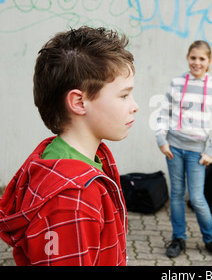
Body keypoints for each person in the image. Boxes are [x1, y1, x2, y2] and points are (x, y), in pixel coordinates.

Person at [0, 26, 139, 266]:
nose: (134, 105)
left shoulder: (68, 155)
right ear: (79, 102)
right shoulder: (72, 201)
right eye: (124, 95)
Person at [155, 40, 212, 259]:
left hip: (198, 152)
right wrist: (161, 139)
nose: (197, 62)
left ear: (209, 61)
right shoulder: (177, 82)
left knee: (196, 198)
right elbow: (163, 113)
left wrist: (211, 150)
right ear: (188, 58)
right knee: (176, 194)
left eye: (202, 59)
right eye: (193, 58)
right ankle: (179, 238)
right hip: (174, 148)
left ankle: (210, 238)